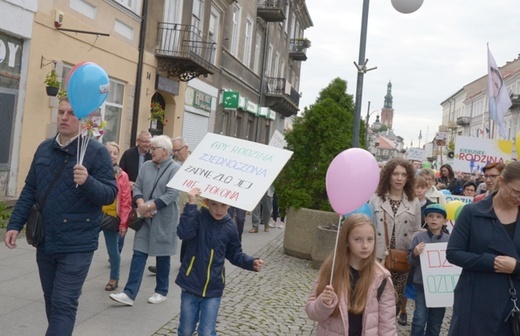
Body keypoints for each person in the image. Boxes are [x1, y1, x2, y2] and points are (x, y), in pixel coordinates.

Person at [4, 97, 118, 335]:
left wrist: (88, 181)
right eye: (61, 112)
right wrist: (15, 224)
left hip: (77, 242)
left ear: (83, 119)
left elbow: (109, 194)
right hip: (46, 239)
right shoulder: (44, 148)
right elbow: (30, 190)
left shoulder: (96, 152)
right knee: (52, 300)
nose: (64, 117)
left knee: (64, 302)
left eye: (71, 113)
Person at [176, 188, 264, 336]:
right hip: (191, 283)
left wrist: (250, 262)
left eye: (223, 205)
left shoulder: (230, 226)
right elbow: (184, 233)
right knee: (186, 330)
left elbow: (234, 253)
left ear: (230, 205)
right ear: (206, 203)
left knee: (207, 331)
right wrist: (191, 205)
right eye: (214, 204)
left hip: (213, 287)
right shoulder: (198, 216)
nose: (219, 209)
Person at [446, 161, 520, 335]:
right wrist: (491, 262)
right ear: (501, 181)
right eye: (516, 192)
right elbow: (453, 253)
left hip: (513, 304)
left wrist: (516, 267)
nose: (519, 198)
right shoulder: (472, 212)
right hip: (476, 300)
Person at [109, 135, 180, 306]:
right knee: (138, 253)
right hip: (145, 219)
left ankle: (161, 291)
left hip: (164, 219)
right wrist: (141, 205)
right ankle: (129, 293)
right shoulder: (147, 166)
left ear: (164, 151)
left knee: (162, 256)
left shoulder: (175, 169)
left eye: (154, 148)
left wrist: (148, 207)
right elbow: (138, 187)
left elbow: (171, 194)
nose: (150, 151)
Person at [305, 214, 397, 336]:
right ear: (347, 241)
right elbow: (312, 313)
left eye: (370, 239)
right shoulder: (332, 270)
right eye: (358, 239)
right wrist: (324, 303)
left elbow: (387, 325)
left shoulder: (381, 278)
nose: (365, 245)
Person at [369, 157, 421, 325]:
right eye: (395, 174)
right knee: (372, 298)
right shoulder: (376, 199)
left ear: (408, 178)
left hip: (401, 259)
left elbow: (416, 230)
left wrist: (416, 246)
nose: (399, 178)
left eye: (403, 175)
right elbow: (368, 226)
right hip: (377, 257)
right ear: (388, 176)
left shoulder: (414, 202)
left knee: (395, 302)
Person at [408, 204, 450, 336]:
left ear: (444, 221)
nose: (434, 219)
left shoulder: (449, 240)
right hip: (421, 285)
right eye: (430, 216)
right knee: (419, 318)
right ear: (425, 218)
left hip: (440, 288)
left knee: (436, 321)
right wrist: (415, 253)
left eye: (438, 217)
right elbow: (410, 260)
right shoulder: (419, 238)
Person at [102, 142, 132, 291]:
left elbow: (126, 200)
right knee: (83, 248)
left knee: (113, 249)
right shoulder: (95, 170)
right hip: (94, 214)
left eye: (115, 153)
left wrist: (123, 224)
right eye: (108, 152)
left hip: (112, 217)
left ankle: (114, 278)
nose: (112, 156)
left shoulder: (122, 175)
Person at [118, 130, 152, 252]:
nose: (147, 144)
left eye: (149, 141)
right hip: (129, 193)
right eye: (145, 142)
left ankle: (140, 250)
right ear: (138, 141)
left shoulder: (152, 156)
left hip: (146, 196)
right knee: (125, 220)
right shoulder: (128, 154)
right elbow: (119, 171)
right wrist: (128, 182)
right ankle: (117, 250)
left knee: (143, 224)